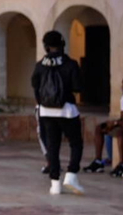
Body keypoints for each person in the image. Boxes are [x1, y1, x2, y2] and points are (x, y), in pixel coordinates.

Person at [32, 31, 85, 196]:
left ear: (46, 46)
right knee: (76, 143)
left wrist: (42, 102)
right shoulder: (70, 64)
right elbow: (78, 87)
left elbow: (35, 86)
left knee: (52, 146)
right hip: (67, 111)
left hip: (46, 111)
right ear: (62, 44)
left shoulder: (40, 65)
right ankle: (71, 175)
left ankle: (55, 183)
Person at [85, 75, 123, 174]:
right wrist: (113, 124)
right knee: (100, 128)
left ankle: (122, 164)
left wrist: (117, 123)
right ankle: (98, 161)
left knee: (120, 132)